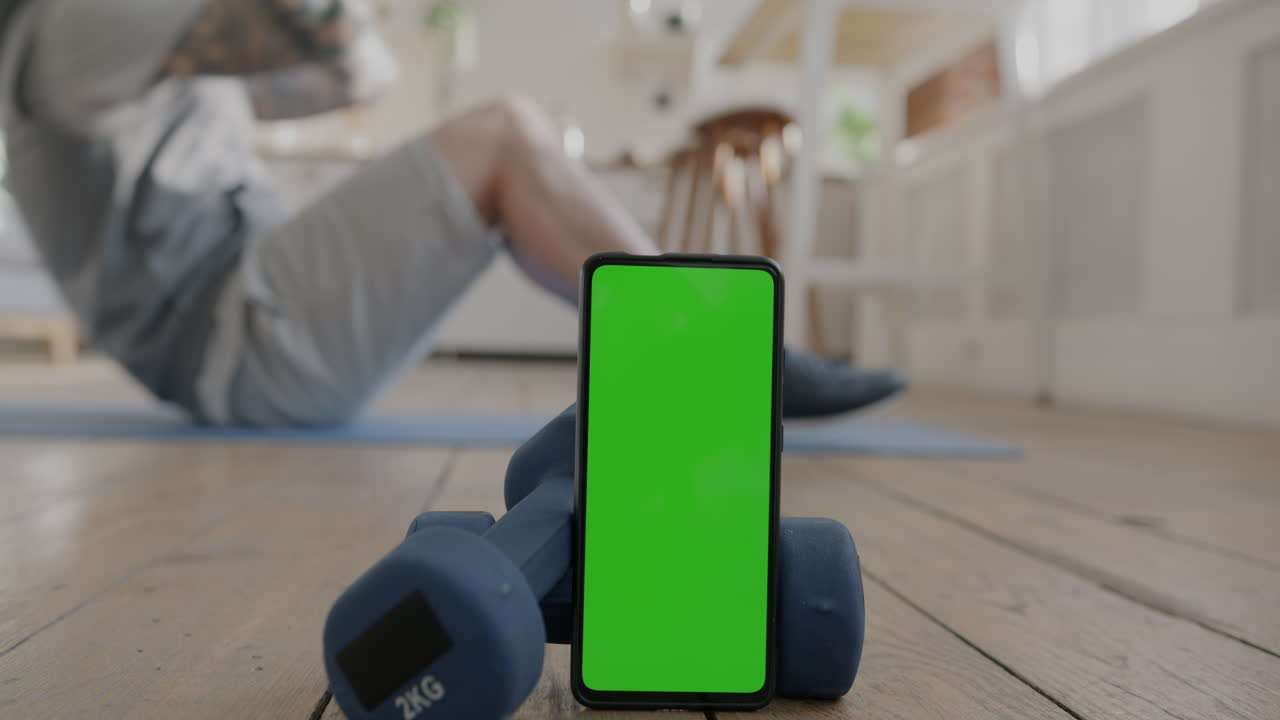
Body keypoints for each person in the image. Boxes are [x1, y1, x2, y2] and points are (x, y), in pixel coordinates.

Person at [0, 0, 904, 427]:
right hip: (240, 345)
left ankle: (714, 354)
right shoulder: (74, 24)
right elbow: (327, 36)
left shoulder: (134, 52)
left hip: (243, 331)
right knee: (507, 133)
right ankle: (722, 358)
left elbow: (357, 72)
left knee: (507, 137)